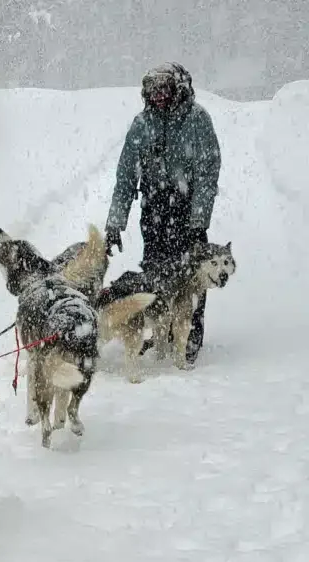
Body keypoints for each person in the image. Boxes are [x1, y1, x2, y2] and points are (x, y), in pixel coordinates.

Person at [105, 62, 222, 365]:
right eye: (152, 90)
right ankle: (161, 332)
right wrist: (115, 223)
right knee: (155, 274)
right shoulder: (142, 124)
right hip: (154, 209)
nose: (158, 96)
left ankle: (190, 333)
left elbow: (208, 174)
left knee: (192, 278)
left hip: (187, 210)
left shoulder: (197, 120)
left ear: (178, 89)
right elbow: (125, 176)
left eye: (164, 89)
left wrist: (198, 220)